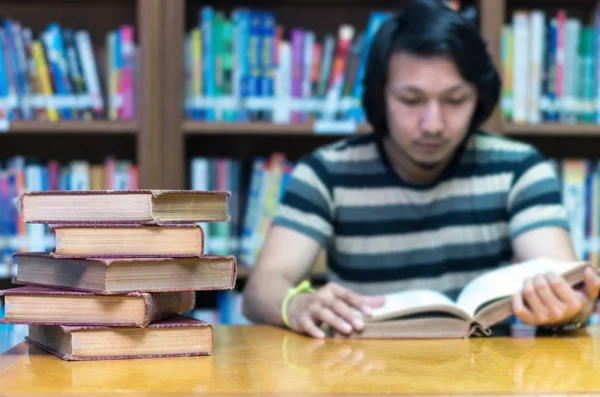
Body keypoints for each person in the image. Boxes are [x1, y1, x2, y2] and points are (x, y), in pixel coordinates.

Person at [242, 0, 600, 338]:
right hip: (359, 372)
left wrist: (571, 310)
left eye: (455, 100)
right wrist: (298, 304)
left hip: (484, 374)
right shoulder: (325, 173)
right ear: (380, 96)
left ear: (479, 98)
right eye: (411, 100)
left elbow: (565, 280)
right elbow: (260, 290)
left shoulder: (519, 169)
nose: (433, 124)